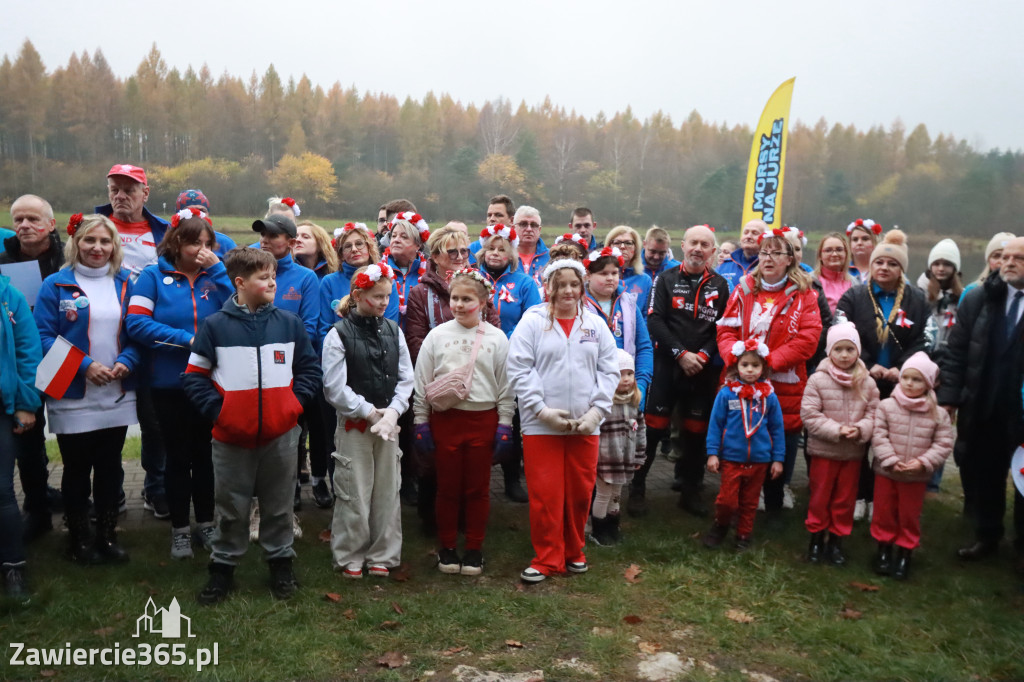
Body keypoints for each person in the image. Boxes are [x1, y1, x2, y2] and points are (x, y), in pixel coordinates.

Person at [183, 247, 320, 604]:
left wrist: (293, 406)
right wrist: (221, 413)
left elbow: (308, 370)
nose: (273, 281)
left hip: (281, 435)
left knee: (278, 505)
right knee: (231, 505)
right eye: (264, 277)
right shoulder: (214, 326)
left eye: (274, 275)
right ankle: (223, 568)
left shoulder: (290, 324)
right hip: (231, 437)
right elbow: (194, 378)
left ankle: (281, 563)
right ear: (240, 283)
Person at [126, 208, 233, 559]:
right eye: (192, 242)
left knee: (206, 455)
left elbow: (241, 310)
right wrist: (186, 339)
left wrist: (218, 268)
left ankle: (206, 524)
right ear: (176, 242)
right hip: (168, 383)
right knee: (176, 457)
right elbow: (137, 324)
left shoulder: (214, 277)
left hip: (210, 383)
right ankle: (179, 530)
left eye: (206, 243)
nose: (200, 249)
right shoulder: (152, 277)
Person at [34, 214, 140, 564]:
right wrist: (85, 365)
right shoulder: (56, 284)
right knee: (76, 469)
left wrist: (127, 358)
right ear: (75, 243)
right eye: (90, 240)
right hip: (71, 390)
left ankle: (107, 538)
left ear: (115, 247)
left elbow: (139, 331)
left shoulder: (128, 282)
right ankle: (77, 540)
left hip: (116, 389)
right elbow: (44, 336)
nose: (97, 248)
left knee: (111, 467)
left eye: (105, 241)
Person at [507, 259, 619, 583]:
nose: (568, 291)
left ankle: (574, 552)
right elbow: (519, 368)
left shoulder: (594, 324)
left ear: (582, 286)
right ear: (549, 287)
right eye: (561, 284)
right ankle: (546, 557)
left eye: (574, 284)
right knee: (546, 493)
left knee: (581, 492)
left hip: (586, 424)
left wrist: (597, 412)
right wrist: (540, 410)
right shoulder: (532, 321)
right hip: (541, 425)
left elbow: (609, 369)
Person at [413, 270, 514, 575]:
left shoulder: (496, 338)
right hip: (446, 420)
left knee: (477, 489)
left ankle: (474, 548)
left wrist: (505, 423)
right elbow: (422, 380)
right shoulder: (437, 335)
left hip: (483, 420)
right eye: (454, 298)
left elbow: (506, 385)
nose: (458, 304)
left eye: (466, 299)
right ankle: (446, 547)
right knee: (447, 487)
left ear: (483, 302)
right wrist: (421, 420)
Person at [717, 228, 822, 517]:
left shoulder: (805, 296)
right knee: (740, 436)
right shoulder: (743, 289)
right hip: (741, 378)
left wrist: (769, 362)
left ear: (790, 259)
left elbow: (808, 339)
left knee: (781, 440)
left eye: (777, 253)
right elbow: (726, 329)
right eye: (764, 252)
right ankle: (736, 499)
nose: (768, 258)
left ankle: (774, 503)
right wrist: (735, 359)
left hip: (783, 383)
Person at [322, 262, 414, 579]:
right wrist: (368, 411)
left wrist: (392, 412)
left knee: (388, 488)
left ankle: (383, 554)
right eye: (377, 296)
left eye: (388, 296)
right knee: (353, 489)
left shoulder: (394, 331)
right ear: (358, 295)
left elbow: (406, 378)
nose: (384, 303)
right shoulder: (338, 335)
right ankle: (350, 554)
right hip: (355, 426)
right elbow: (334, 387)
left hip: (388, 425)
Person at [405, 226, 505, 513]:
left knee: (471, 462)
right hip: (437, 387)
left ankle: (467, 515)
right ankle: (433, 516)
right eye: (453, 251)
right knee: (435, 460)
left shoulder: (478, 286)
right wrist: (447, 370)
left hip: (477, 385)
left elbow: (493, 329)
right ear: (435, 256)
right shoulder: (420, 293)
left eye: (465, 250)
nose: (461, 256)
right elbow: (416, 340)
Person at [939, 236, 1024, 573]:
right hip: (984, 403)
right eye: (1004, 257)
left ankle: (1021, 547)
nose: (1009, 262)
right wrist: (948, 397)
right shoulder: (979, 299)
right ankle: (987, 536)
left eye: (1018, 258)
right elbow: (957, 351)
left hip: (1021, 410)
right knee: (986, 473)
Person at [636, 225, 729, 517]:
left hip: (703, 370)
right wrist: (681, 354)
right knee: (652, 432)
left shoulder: (721, 285)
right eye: (694, 243)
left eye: (705, 244)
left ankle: (691, 492)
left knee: (696, 435)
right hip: (667, 367)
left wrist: (701, 355)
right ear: (684, 246)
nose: (698, 249)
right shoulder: (665, 279)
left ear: (713, 251)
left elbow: (723, 327)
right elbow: (654, 321)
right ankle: (637, 490)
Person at [836, 230, 929, 521]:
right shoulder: (854, 296)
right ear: (872, 265)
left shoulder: (917, 299)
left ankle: (882, 497)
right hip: (861, 379)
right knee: (860, 440)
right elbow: (840, 332)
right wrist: (866, 363)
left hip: (903, 383)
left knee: (893, 442)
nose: (884, 268)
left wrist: (902, 367)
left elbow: (925, 338)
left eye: (892, 263)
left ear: (901, 268)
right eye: (879, 263)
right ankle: (860, 494)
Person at [95, 163, 169, 520]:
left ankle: (157, 488)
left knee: (154, 423)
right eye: (115, 189)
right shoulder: (94, 231)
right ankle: (110, 492)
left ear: (145, 193)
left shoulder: (164, 233)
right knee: (107, 423)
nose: (121, 196)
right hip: (104, 339)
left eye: (129, 189)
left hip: (151, 341)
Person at [2, 195, 64, 541]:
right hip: (23, 362)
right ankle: (37, 508)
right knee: (28, 438)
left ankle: (86, 501)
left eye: (32, 219)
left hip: (65, 356)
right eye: (18, 220)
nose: (24, 226)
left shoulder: (69, 257)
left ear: (51, 225)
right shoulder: (2, 262)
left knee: (76, 435)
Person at [800, 323, 880, 565]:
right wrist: (836, 430)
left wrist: (861, 429)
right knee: (820, 497)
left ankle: (836, 541)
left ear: (858, 351)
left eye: (850, 349)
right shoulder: (817, 380)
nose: (844, 355)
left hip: (852, 454)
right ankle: (816, 538)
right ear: (829, 352)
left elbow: (875, 414)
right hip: (824, 451)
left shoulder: (867, 383)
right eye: (838, 349)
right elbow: (810, 415)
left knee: (844, 499)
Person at [870, 352, 953, 580]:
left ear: (928, 383)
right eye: (906, 377)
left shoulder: (938, 414)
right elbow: (879, 434)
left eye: (916, 380)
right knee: (884, 511)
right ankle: (884, 549)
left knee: (909, 514)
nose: (909, 383)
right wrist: (890, 460)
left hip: (915, 476)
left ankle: (905, 552)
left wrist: (924, 463)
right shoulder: (886, 406)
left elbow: (943, 443)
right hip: (887, 472)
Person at [702, 343, 784, 551]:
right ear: (736, 365)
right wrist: (712, 453)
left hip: (760, 460)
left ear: (763, 368)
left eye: (755, 365)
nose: (749, 369)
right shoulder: (727, 394)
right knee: (727, 501)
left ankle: (744, 535)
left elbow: (777, 429)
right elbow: (715, 425)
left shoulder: (769, 397)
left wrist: (778, 458)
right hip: (731, 458)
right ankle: (721, 525)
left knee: (750, 502)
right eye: (745, 364)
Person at [0, 274, 42, 597]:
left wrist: (27, 404)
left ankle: (13, 568)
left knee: (2, 491)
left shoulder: (9, 296)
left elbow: (29, 352)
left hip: (2, 406)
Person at [582, 246, 653, 406]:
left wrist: (640, 384)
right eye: (603, 273)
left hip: (627, 388)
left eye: (614, 273)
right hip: (589, 390)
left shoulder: (629, 304)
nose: (610, 278)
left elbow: (644, 347)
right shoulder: (578, 306)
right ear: (588, 275)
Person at [589, 349, 646, 546]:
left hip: (624, 461)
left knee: (616, 495)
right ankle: (599, 529)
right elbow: (594, 432)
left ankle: (614, 526)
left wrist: (639, 456)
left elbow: (640, 432)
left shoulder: (634, 404)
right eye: (620, 374)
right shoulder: (603, 405)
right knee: (603, 495)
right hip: (605, 460)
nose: (626, 379)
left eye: (629, 374)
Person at [478, 224, 542, 336]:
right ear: (484, 253)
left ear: (511, 255)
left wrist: (507, 340)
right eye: (491, 249)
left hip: (513, 345)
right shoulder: (472, 278)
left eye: (502, 250)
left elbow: (533, 319)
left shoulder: (525, 283)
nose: (495, 253)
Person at [916, 238, 963, 358]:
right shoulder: (919, 294)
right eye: (936, 264)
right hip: (921, 357)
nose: (941, 268)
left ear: (954, 268)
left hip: (949, 358)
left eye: (947, 264)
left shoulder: (963, 297)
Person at [383, 218, 428, 324]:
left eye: (404, 237)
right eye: (393, 236)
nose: (396, 240)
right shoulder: (379, 272)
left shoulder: (429, 273)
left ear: (418, 245)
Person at [604, 225, 653, 315]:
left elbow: (647, 315)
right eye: (617, 242)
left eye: (628, 243)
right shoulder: (600, 277)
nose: (622, 247)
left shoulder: (645, 280)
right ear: (608, 246)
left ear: (636, 248)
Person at [173, 189, 237, 257]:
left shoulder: (225, 244)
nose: (197, 214)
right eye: (190, 211)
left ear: (208, 214)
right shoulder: (169, 242)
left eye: (202, 211)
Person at [962, 232, 1014, 300]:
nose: (1001, 261)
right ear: (988, 260)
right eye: (996, 256)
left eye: (1006, 257)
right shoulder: (972, 290)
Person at [717, 219, 767, 291]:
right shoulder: (724, 266)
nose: (749, 236)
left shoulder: (769, 266)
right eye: (745, 233)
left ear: (765, 238)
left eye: (755, 233)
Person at [813, 232, 855, 313]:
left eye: (839, 250)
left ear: (846, 253)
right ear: (820, 255)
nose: (834, 254)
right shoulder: (809, 282)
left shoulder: (854, 283)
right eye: (828, 250)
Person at [469, 194, 516, 261]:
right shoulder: (473, 249)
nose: (492, 219)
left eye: (498, 215)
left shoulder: (519, 248)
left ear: (511, 220)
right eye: (489, 215)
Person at [512, 206, 550, 288]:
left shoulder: (552, 257)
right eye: (523, 224)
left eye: (534, 225)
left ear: (539, 230)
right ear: (513, 228)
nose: (529, 229)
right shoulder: (504, 256)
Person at [846, 218, 883, 284]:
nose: (859, 243)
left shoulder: (884, 269)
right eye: (855, 239)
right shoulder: (842, 270)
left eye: (865, 239)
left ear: (875, 242)